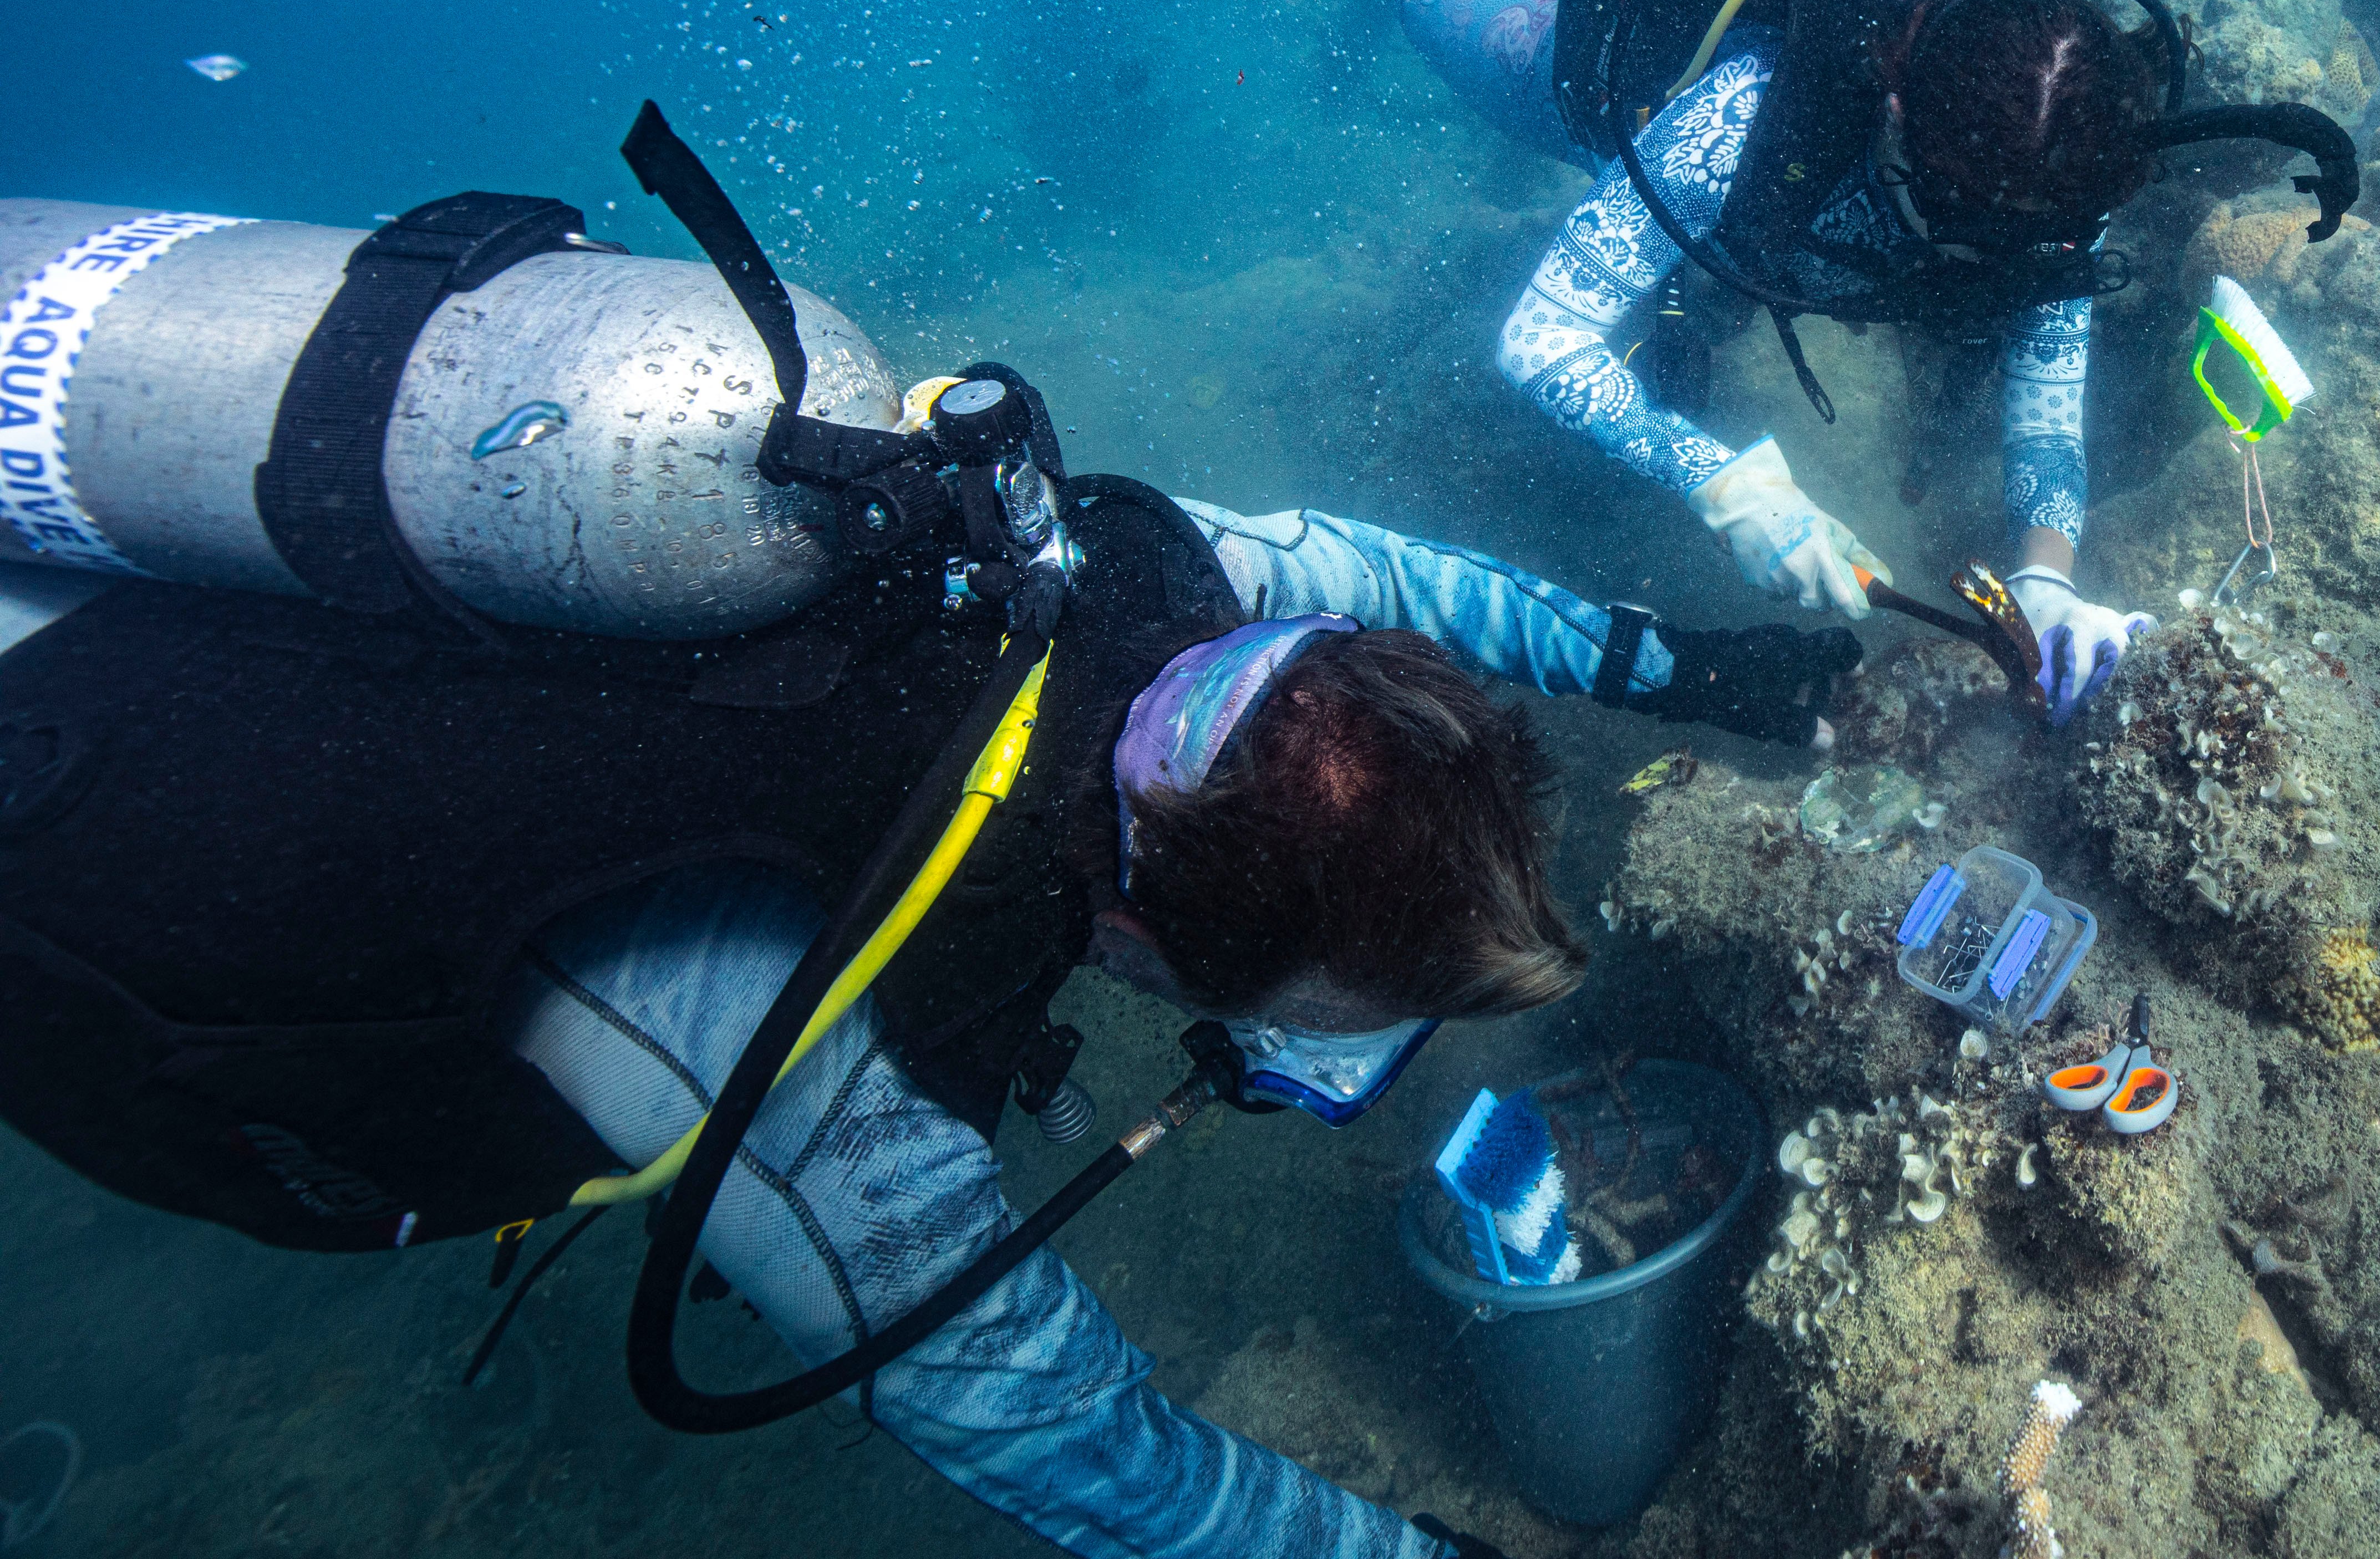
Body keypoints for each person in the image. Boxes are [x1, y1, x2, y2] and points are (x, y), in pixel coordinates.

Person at [0, 452, 1842, 1559]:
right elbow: (1101, 1460)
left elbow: (1393, 583)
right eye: (1317, 1020)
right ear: (1137, 937)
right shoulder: (810, 1057)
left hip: (175, 571)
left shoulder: (1153, 605)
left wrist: (1689, 668)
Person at [1317, 0, 2356, 725]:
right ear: (1897, 114)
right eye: (1963, 212)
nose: (2000, 251)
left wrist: (2046, 580)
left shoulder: (2066, 151)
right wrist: (1722, 482)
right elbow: (1542, 337)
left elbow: (2046, 394)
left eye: (2033, 232)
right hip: (1651, 72)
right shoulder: (1747, 114)